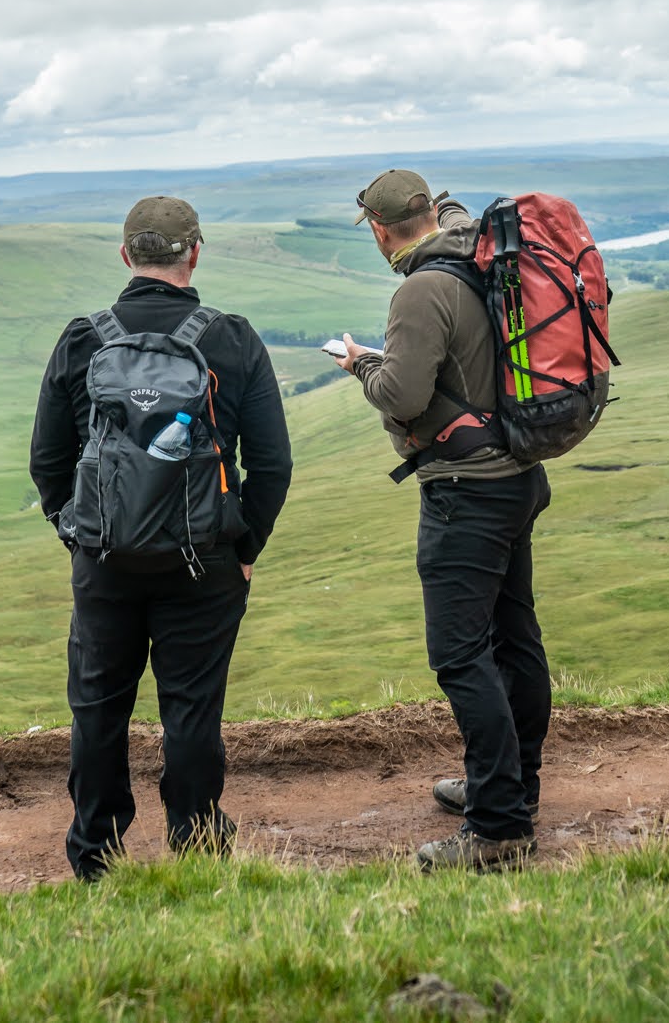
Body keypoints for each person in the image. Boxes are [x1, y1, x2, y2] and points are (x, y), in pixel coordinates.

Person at [30, 196, 292, 880]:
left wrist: (79, 533)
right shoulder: (232, 338)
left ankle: (95, 852)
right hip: (204, 560)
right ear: (194, 253)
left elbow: (48, 460)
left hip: (105, 558)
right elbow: (272, 463)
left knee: (97, 706)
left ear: (126, 256)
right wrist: (243, 548)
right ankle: (197, 838)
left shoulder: (84, 338)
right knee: (192, 708)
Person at [335, 169, 552, 874]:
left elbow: (401, 392)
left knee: (462, 656)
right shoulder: (475, 252)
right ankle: (512, 791)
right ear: (432, 211)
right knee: (515, 638)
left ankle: (498, 830)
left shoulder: (421, 288)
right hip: (517, 474)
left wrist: (363, 365)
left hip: (468, 491)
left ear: (378, 228)